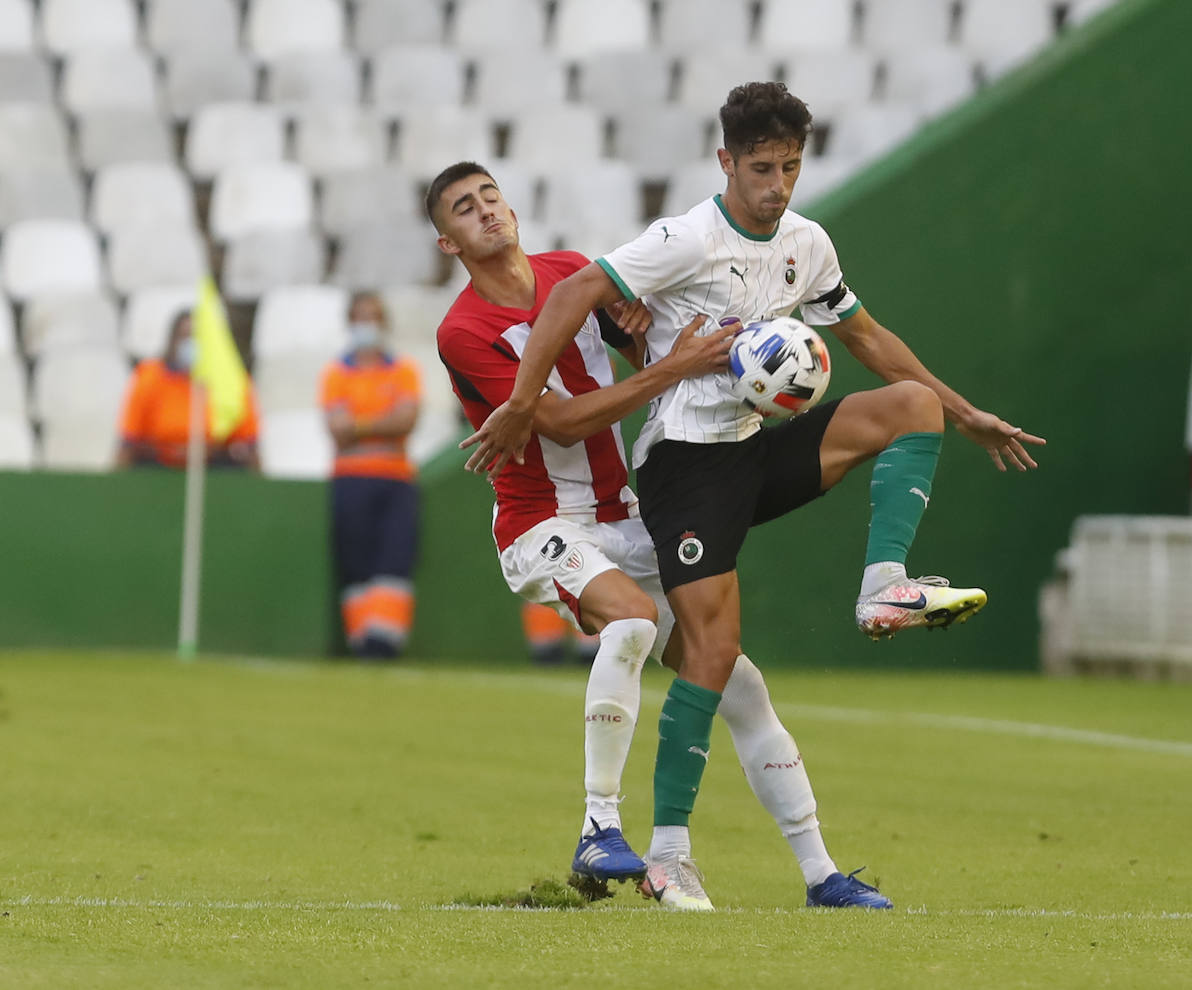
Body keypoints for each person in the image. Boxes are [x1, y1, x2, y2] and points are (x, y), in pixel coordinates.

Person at [463, 82, 1047, 908]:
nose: (777, 185)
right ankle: (668, 854)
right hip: (682, 469)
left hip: (749, 449)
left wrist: (967, 413)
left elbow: (868, 337)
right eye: (762, 168)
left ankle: (884, 587)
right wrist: (523, 402)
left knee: (913, 407)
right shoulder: (684, 239)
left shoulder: (806, 243)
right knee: (715, 660)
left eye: (791, 168)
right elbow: (569, 295)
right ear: (726, 163)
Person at [429, 160, 887, 911]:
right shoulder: (463, 330)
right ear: (448, 242)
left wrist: (677, 347)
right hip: (542, 522)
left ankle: (821, 874)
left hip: (624, 514)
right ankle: (598, 825)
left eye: (489, 196)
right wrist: (670, 368)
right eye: (462, 209)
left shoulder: (572, 273)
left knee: (732, 676)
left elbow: (645, 345)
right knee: (633, 621)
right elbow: (561, 420)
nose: (484, 212)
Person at [319, 292, 422, 661]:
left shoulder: (403, 369)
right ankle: (363, 642)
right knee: (357, 563)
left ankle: (385, 643)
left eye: (375, 316)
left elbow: (407, 420)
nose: (368, 324)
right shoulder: (336, 373)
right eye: (361, 316)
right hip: (350, 479)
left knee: (393, 561)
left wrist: (358, 426)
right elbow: (336, 428)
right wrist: (383, 424)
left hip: (396, 479)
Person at [117, 309, 259, 470]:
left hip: (214, 469)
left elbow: (250, 444)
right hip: (157, 468)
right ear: (172, 340)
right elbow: (128, 441)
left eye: (200, 338)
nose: (192, 343)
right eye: (185, 336)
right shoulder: (149, 376)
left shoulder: (233, 381)